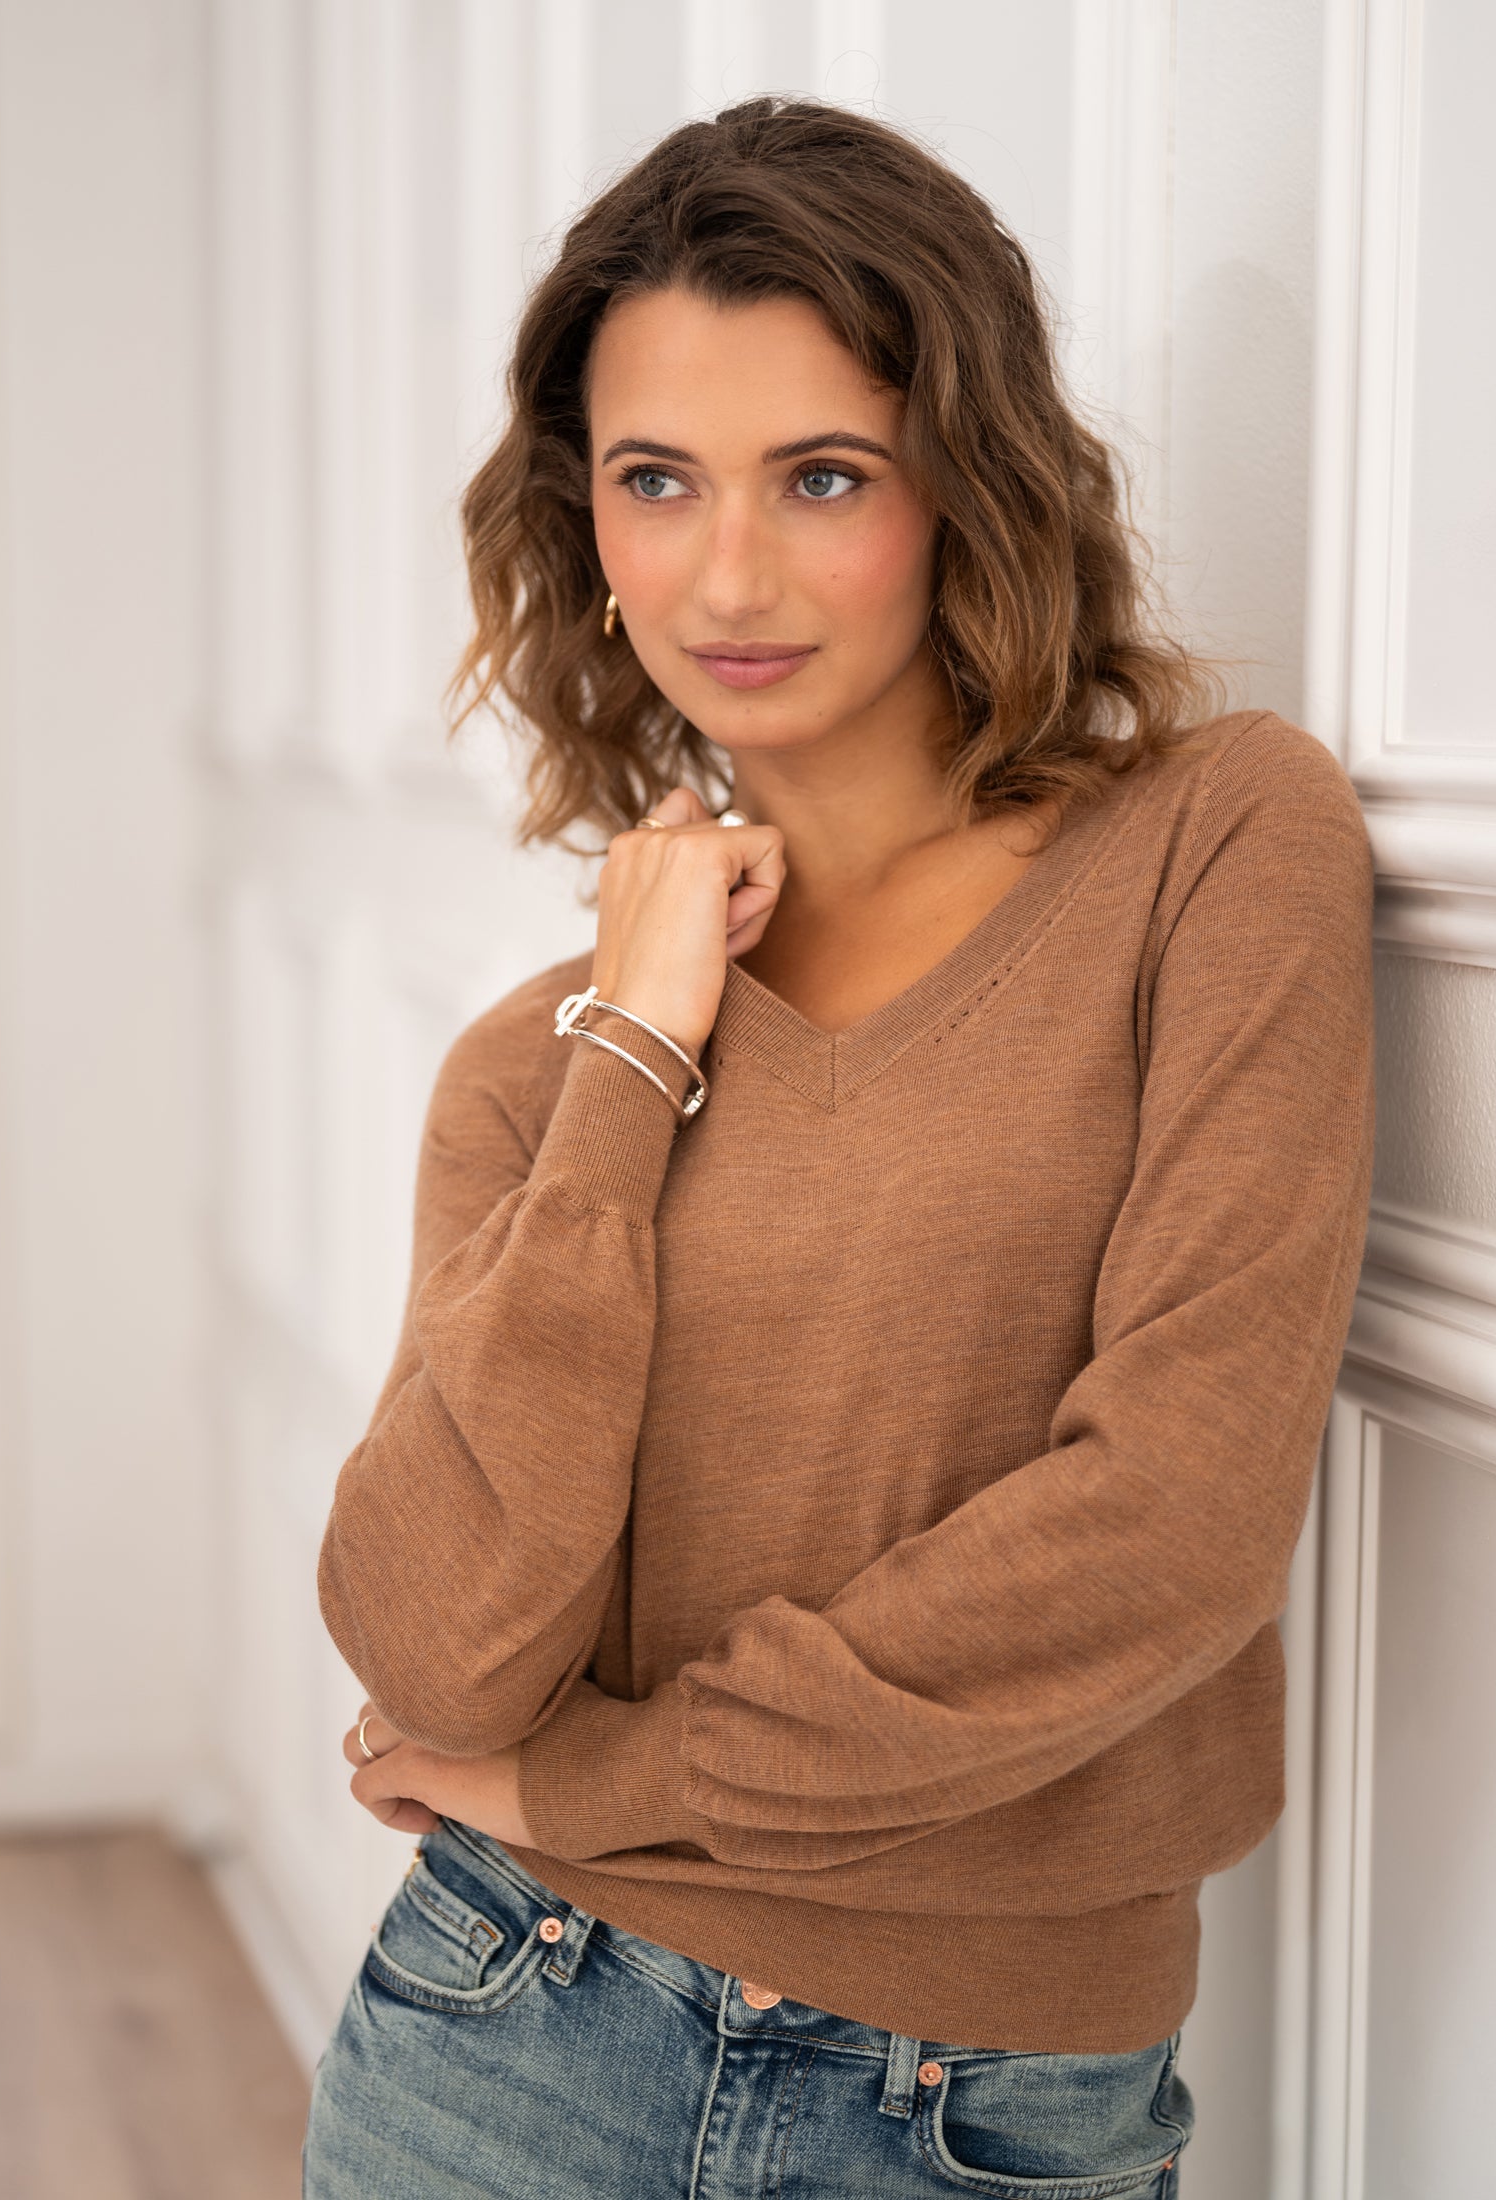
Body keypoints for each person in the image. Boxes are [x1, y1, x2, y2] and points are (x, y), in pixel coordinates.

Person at [302, 95, 1375, 2200]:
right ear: (584, 530)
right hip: (503, 2033)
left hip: (984, 2108)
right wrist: (638, 1044)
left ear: (964, 482)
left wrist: (597, 1774)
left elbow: (1171, 1522)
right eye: (655, 482)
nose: (730, 571)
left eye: (820, 475)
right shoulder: (544, 1066)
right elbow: (432, 1642)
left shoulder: (1219, 847)